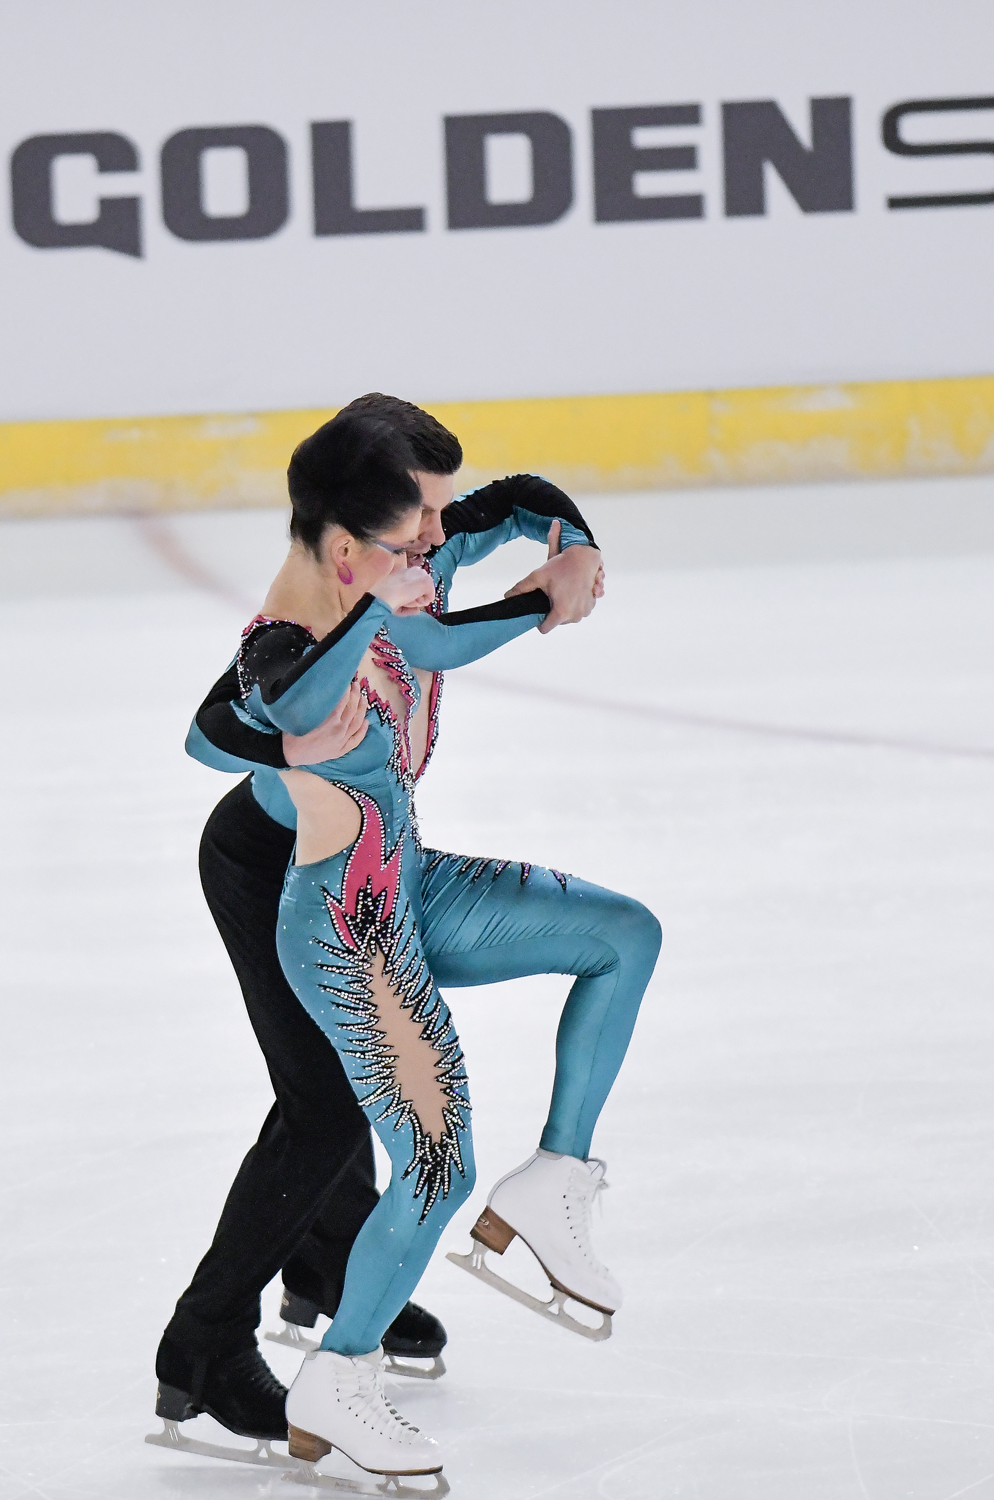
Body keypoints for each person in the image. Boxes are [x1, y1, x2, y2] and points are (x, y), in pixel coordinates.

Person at [161, 400, 660, 1482]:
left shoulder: (398, 566)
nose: (442, 535)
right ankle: (213, 1349)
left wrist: (567, 554)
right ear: (350, 544)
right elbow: (220, 724)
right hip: (292, 878)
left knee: (617, 939)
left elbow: (505, 516)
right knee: (329, 1114)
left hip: (394, 869)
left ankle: (358, 1261)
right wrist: (288, 740)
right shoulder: (301, 637)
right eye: (419, 522)